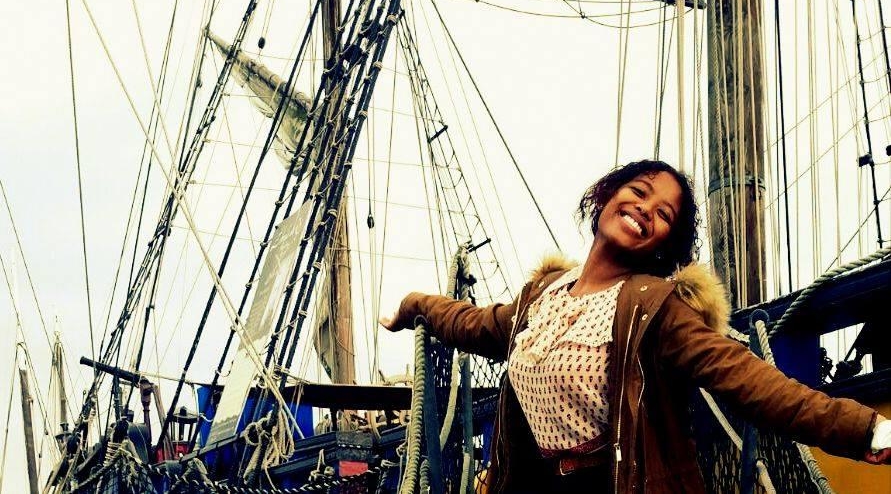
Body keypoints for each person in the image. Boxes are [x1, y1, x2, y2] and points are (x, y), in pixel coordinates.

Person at [381, 160, 891, 493]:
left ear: (665, 243)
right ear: (606, 196)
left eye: (663, 214)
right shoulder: (544, 295)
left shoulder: (657, 309)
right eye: (638, 191)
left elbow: (749, 379)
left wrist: (865, 429)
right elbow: (471, 323)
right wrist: (412, 306)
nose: (644, 209)